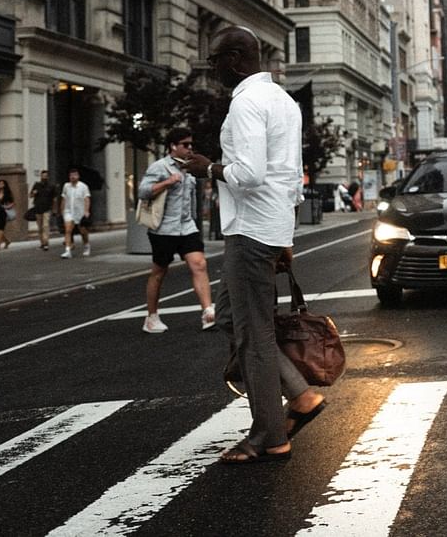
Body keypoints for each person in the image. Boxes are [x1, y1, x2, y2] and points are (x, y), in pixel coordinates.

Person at [186, 26, 326, 464]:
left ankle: (270, 435)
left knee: (255, 335)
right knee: (230, 316)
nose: (212, 70)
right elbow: (292, 178)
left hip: (249, 230)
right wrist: (284, 235)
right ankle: (300, 398)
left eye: (214, 62)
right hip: (268, 227)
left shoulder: (246, 103)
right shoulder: (284, 100)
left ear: (232, 60)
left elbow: (249, 174)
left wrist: (206, 169)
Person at [138, 127, 216, 333]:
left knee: (199, 264)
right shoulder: (159, 167)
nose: (190, 148)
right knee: (159, 272)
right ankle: (151, 317)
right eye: (185, 145)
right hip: (164, 229)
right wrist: (167, 182)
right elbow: (143, 191)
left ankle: (208, 312)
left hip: (187, 227)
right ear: (173, 146)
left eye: (191, 145)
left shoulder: (190, 168)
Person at [60, 168, 91, 258]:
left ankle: (86, 245)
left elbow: (87, 199)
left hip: (80, 212)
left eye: (75, 175)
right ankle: (68, 250)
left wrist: (86, 210)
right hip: (69, 211)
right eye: (71, 175)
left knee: (83, 231)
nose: (73, 177)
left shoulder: (83, 187)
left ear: (78, 176)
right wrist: (62, 210)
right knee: (68, 230)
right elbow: (64, 198)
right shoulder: (66, 186)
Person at [29, 169, 58, 251]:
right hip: (38, 208)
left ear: (48, 177)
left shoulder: (51, 186)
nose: (44, 177)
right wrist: (33, 193)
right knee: (40, 227)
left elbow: (54, 199)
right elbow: (30, 195)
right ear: (41, 176)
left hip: (47, 208)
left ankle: (46, 243)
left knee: (45, 226)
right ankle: (42, 243)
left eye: (46, 176)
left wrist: (54, 209)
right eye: (43, 176)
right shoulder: (36, 185)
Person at [0, 178, 15, 250]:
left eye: (2, 184)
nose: (0, 185)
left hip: (3, 212)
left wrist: (6, 207)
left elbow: (12, 203)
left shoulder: (7, 193)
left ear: (5, 185)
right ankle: (6, 241)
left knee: (1, 228)